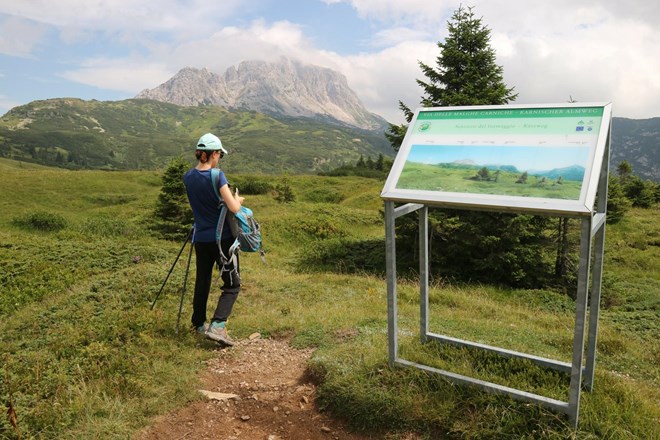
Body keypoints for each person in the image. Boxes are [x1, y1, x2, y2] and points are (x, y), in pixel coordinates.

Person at [183, 133, 244, 346]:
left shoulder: (188, 176)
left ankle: (198, 324)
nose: (219, 158)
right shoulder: (217, 176)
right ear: (214, 154)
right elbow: (234, 208)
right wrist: (237, 199)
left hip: (200, 237)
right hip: (222, 240)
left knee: (203, 280)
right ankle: (218, 325)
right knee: (232, 283)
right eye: (219, 154)